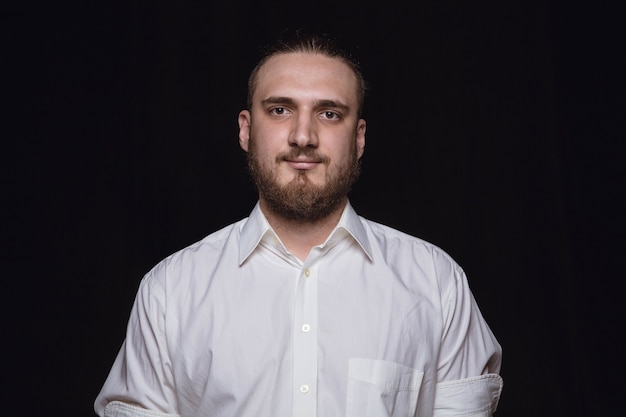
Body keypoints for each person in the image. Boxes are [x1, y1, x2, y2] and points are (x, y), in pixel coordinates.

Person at [94, 31, 503, 417]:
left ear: (359, 138)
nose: (303, 135)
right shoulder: (169, 293)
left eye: (329, 113)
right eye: (280, 110)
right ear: (246, 129)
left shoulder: (436, 283)